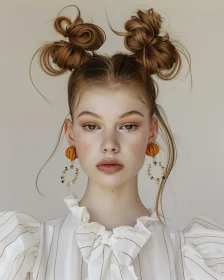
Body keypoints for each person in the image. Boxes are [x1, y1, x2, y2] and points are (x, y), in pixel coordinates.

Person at [0, 4, 224, 280]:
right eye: (92, 126)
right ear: (71, 133)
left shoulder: (198, 261)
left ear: (151, 131)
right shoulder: (19, 253)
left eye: (128, 125)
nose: (109, 144)